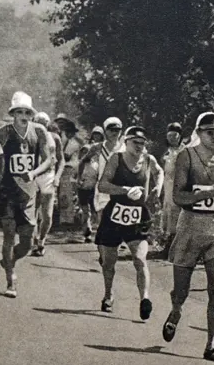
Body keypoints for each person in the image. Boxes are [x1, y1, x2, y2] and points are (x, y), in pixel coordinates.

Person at [162, 112, 214, 362]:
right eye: (209, 132)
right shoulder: (187, 156)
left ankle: (210, 344)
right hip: (190, 226)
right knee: (181, 290)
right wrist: (209, 192)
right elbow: (179, 197)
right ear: (199, 133)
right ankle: (176, 311)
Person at [0, 92, 52, 297]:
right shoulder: (3, 133)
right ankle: (11, 280)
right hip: (7, 192)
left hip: (29, 194)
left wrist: (34, 173)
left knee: (26, 243)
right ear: (13, 114)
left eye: (27, 112)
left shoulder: (40, 132)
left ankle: (8, 261)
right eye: (19, 112)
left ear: (32, 114)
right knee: (9, 236)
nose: (24, 115)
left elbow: (49, 160)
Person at [95, 126, 163, 318]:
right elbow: (102, 185)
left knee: (140, 259)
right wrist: (125, 190)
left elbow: (160, 173)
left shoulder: (149, 160)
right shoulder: (116, 159)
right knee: (109, 261)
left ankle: (145, 299)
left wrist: (157, 188)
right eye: (135, 143)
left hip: (138, 216)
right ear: (126, 143)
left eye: (142, 143)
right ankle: (108, 294)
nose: (139, 147)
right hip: (114, 215)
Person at [78, 117, 125, 244]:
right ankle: (104, 242)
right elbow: (82, 161)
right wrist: (80, 177)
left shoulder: (125, 148)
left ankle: (115, 241)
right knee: (102, 215)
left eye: (117, 130)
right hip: (103, 186)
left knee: (118, 214)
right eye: (111, 130)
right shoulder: (97, 147)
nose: (114, 132)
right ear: (105, 131)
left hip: (120, 186)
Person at [30, 112, 65, 256]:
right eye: (38, 122)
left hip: (48, 176)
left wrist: (57, 177)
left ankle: (42, 240)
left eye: (44, 122)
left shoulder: (54, 137)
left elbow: (61, 160)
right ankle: (34, 242)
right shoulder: (29, 138)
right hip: (33, 175)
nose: (41, 125)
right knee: (32, 212)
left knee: (47, 215)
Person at [160, 122, 185, 258]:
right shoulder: (167, 152)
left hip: (179, 186)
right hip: (167, 187)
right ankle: (168, 246)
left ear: (180, 136)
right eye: (169, 135)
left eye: (174, 135)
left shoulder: (184, 151)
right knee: (168, 215)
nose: (172, 138)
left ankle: (176, 250)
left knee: (177, 216)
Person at [57, 118, 83, 224]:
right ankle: (65, 217)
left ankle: (67, 219)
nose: (68, 133)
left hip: (69, 169)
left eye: (70, 132)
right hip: (65, 169)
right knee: (64, 194)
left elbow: (66, 156)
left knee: (66, 194)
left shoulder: (73, 143)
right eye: (67, 131)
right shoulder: (66, 141)